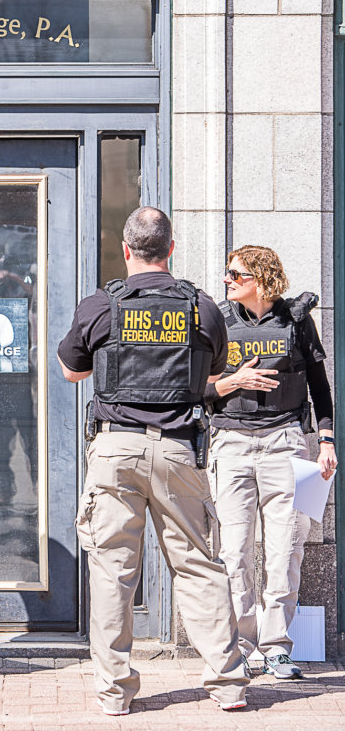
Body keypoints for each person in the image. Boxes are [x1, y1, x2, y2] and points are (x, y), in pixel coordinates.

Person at [58, 206, 248, 715]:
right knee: (199, 565)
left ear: (126, 250)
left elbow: (70, 370)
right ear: (170, 250)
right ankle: (228, 683)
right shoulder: (202, 307)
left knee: (113, 570)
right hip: (178, 448)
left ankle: (115, 693)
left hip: (115, 449)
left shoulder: (102, 305)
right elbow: (215, 370)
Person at [207, 245, 337, 680]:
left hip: (286, 444)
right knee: (234, 553)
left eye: (235, 273)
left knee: (284, 551)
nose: (226, 279)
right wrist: (233, 381)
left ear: (260, 279)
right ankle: (243, 646)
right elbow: (196, 387)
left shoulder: (297, 321)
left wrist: (326, 440)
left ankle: (277, 645)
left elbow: (319, 385)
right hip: (231, 443)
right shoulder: (218, 321)